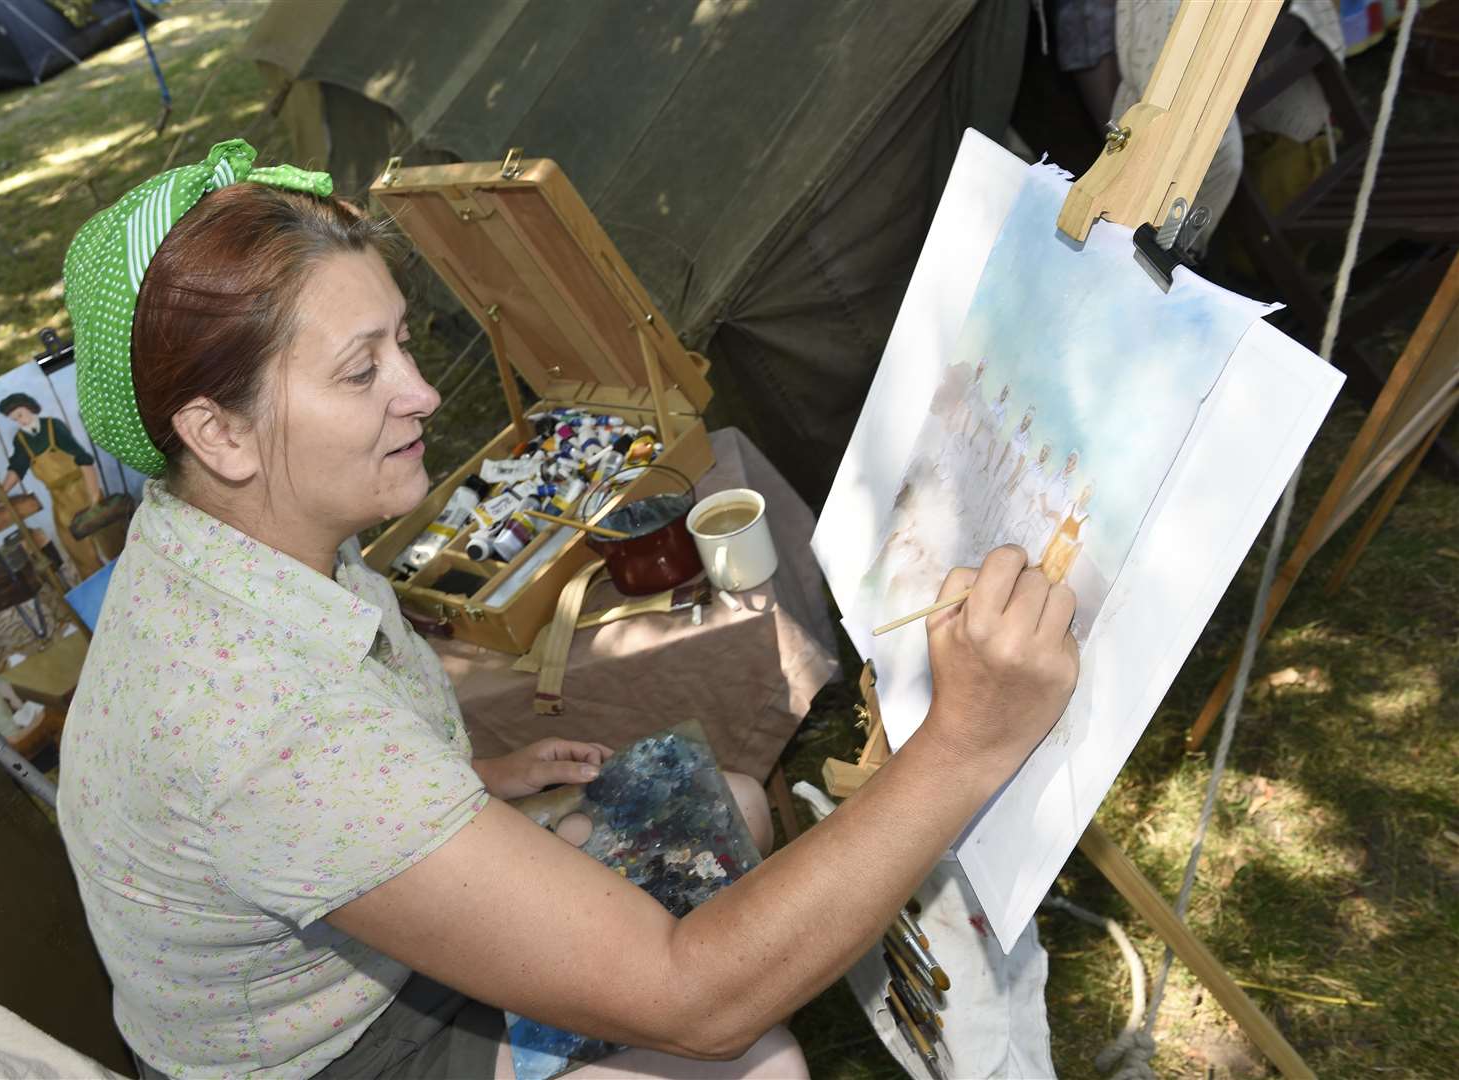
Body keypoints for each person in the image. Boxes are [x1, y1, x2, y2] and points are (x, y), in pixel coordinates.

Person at [56, 140, 1080, 1079]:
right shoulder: (258, 720)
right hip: (353, 1055)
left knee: (730, 796)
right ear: (218, 433)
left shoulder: (240, 531)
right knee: (756, 1064)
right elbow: (695, 997)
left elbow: (318, 791)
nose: (418, 392)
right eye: (362, 371)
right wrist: (963, 746)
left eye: (403, 344)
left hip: (363, 964)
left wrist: (458, 782)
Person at [0, 392, 105, 578]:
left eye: (21, 415)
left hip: (83, 489)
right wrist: (2, 490)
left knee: (107, 536)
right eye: (15, 419)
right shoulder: (21, 440)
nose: (20, 422)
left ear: (30, 408)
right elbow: (17, 467)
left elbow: (84, 460)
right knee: (75, 545)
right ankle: (99, 581)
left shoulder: (52, 426)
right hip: (61, 501)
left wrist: (94, 496)